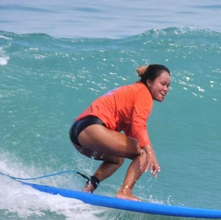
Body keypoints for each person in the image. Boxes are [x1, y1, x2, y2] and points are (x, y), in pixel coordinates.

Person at [69, 64, 171, 201]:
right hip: (94, 128)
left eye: (168, 86)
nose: (166, 89)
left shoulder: (133, 91)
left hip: (78, 131)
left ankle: (89, 187)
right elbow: (139, 124)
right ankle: (125, 191)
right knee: (144, 153)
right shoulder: (144, 93)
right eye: (163, 84)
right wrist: (149, 151)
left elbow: (132, 130)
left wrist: (143, 146)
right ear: (149, 82)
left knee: (117, 159)